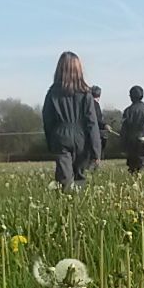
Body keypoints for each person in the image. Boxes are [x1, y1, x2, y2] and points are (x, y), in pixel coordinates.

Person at [42, 52, 101, 191]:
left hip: (60, 135)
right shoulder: (86, 93)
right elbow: (92, 123)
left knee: (64, 177)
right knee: (80, 175)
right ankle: (78, 204)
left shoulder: (52, 93)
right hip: (82, 137)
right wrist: (96, 151)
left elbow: (47, 120)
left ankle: (66, 203)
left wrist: (50, 142)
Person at [121, 85, 144, 174]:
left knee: (133, 171)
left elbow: (123, 131)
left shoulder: (127, 111)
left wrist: (123, 148)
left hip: (131, 145)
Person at [91, 85, 110, 164]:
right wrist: (105, 125)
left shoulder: (85, 104)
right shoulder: (95, 104)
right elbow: (97, 119)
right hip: (95, 132)